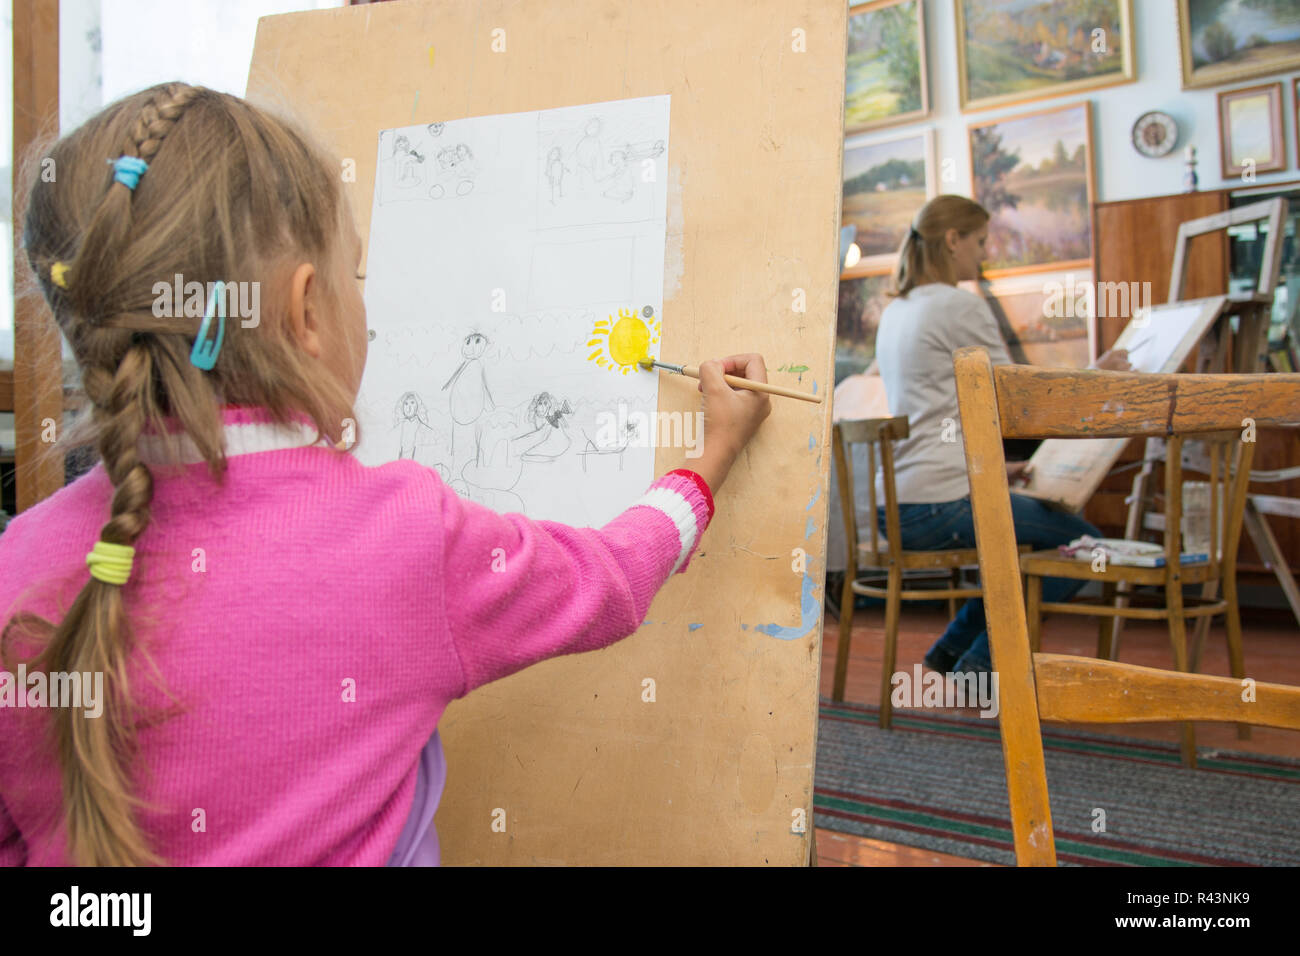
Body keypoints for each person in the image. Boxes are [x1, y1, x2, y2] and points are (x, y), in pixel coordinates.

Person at [0, 83, 771, 866]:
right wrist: (711, 458)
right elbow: (607, 579)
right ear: (306, 312)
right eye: (355, 276)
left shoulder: (17, 561)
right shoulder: (401, 536)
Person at [873, 194, 1128, 677]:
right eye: (981, 241)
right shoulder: (956, 305)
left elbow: (936, 409)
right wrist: (1098, 374)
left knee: (1021, 549)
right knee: (1086, 543)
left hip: (900, 502)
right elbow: (1020, 400)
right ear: (953, 240)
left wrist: (993, 467)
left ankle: (952, 653)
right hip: (940, 504)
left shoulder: (897, 310)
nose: (985, 254)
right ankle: (978, 666)